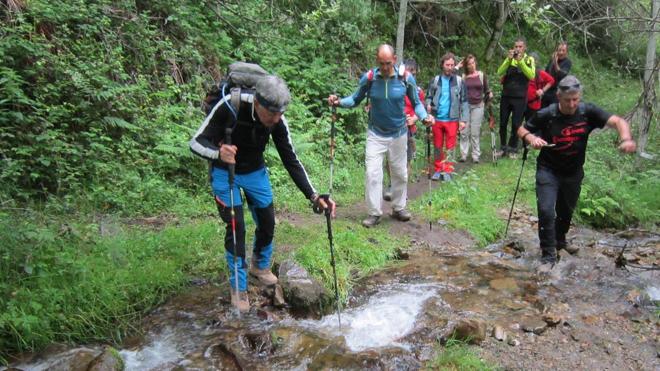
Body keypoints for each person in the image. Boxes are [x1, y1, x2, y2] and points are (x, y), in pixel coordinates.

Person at [190, 74, 335, 312]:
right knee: (236, 227)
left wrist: (313, 195)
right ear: (258, 102)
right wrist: (218, 154)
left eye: (280, 113)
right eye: (272, 113)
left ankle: (260, 266)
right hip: (224, 171)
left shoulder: (278, 120)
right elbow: (196, 142)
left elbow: (290, 158)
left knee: (267, 221)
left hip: (255, 172)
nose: (277, 119)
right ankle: (238, 286)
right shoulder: (229, 105)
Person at [517, 76, 636, 268]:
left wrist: (626, 139)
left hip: (573, 172)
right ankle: (548, 257)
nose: (572, 104)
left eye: (576, 99)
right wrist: (531, 138)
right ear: (558, 97)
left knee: (566, 211)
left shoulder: (587, 112)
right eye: (567, 100)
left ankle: (560, 241)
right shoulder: (548, 113)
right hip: (548, 169)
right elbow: (521, 130)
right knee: (547, 210)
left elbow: (618, 122)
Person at [328, 44, 433, 228]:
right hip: (375, 133)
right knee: (372, 174)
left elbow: (417, 103)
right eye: (381, 63)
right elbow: (355, 99)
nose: (385, 67)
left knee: (400, 173)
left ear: (394, 59)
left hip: (399, 133)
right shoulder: (369, 78)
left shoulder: (405, 79)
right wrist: (338, 102)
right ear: (377, 61)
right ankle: (374, 213)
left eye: (388, 63)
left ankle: (398, 208)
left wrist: (424, 117)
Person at [384, 58, 426, 200]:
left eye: (413, 71)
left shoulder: (418, 91)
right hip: (392, 127)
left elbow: (421, 107)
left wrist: (414, 118)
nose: (410, 74)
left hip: (409, 130)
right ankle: (392, 184)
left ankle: (402, 190)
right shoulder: (393, 86)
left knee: (406, 161)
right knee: (389, 159)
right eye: (408, 71)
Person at [425, 52, 469, 180]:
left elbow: (464, 101)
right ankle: (438, 169)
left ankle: (448, 170)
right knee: (438, 146)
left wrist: (463, 120)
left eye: (452, 65)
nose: (450, 67)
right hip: (436, 118)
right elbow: (428, 97)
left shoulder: (459, 81)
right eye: (447, 65)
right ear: (442, 65)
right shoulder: (435, 80)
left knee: (450, 146)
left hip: (453, 119)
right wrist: (428, 105)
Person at [497, 37, 535, 157]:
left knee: (516, 124)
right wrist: (508, 60)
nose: (517, 49)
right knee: (502, 122)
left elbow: (531, 76)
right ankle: (503, 147)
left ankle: (513, 148)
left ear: (524, 48)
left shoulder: (529, 59)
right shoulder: (509, 59)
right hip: (506, 96)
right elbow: (499, 72)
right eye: (516, 47)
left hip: (520, 97)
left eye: (520, 47)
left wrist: (520, 62)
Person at [457, 54, 493, 163]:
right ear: (466, 66)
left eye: (473, 63)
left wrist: (490, 94)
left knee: (475, 131)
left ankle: (475, 155)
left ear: (475, 63)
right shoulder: (463, 77)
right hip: (465, 106)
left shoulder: (481, 75)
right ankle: (463, 155)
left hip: (478, 105)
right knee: (464, 131)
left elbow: (487, 89)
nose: (472, 65)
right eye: (469, 64)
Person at [524, 52, 554, 121]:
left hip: (533, 104)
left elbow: (551, 80)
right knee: (518, 125)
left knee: (530, 126)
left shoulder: (540, 73)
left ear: (536, 62)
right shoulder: (524, 71)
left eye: (533, 60)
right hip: (522, 102)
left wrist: (543, 90)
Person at [542, 41, 572, 108]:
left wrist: (555, 62)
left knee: (552, 112)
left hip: (556, 92)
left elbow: (561, 74)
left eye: (563, 50)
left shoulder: (567, 62)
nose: (561, 52)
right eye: (559, 50)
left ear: (566, 52)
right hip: (547, 89)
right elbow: (546, 73)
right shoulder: (552, 60)